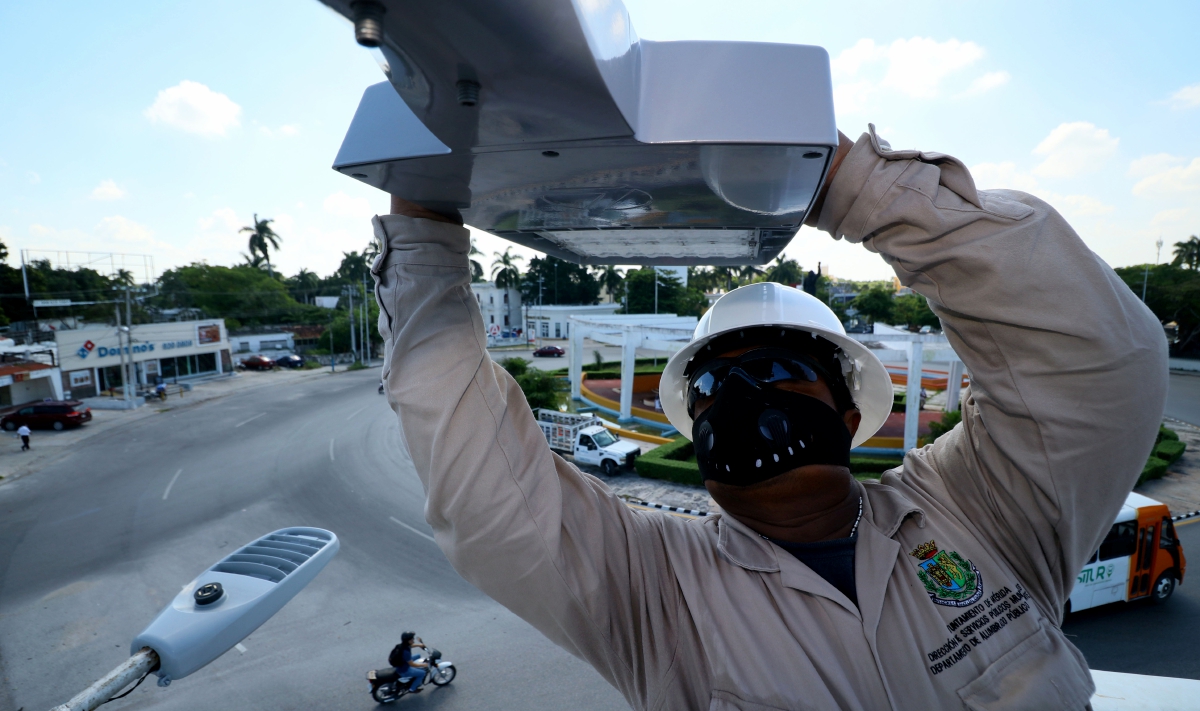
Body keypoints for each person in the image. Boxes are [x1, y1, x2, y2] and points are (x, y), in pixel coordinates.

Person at [372, 126, 1167, 709]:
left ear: (850, 413)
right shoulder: (655, 585)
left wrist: (837, 184)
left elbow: (1101, 358)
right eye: (715, 384)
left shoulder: (983, 513)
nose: (743, 395)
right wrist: (422, 227)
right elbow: (491, 501)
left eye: (782, 370)